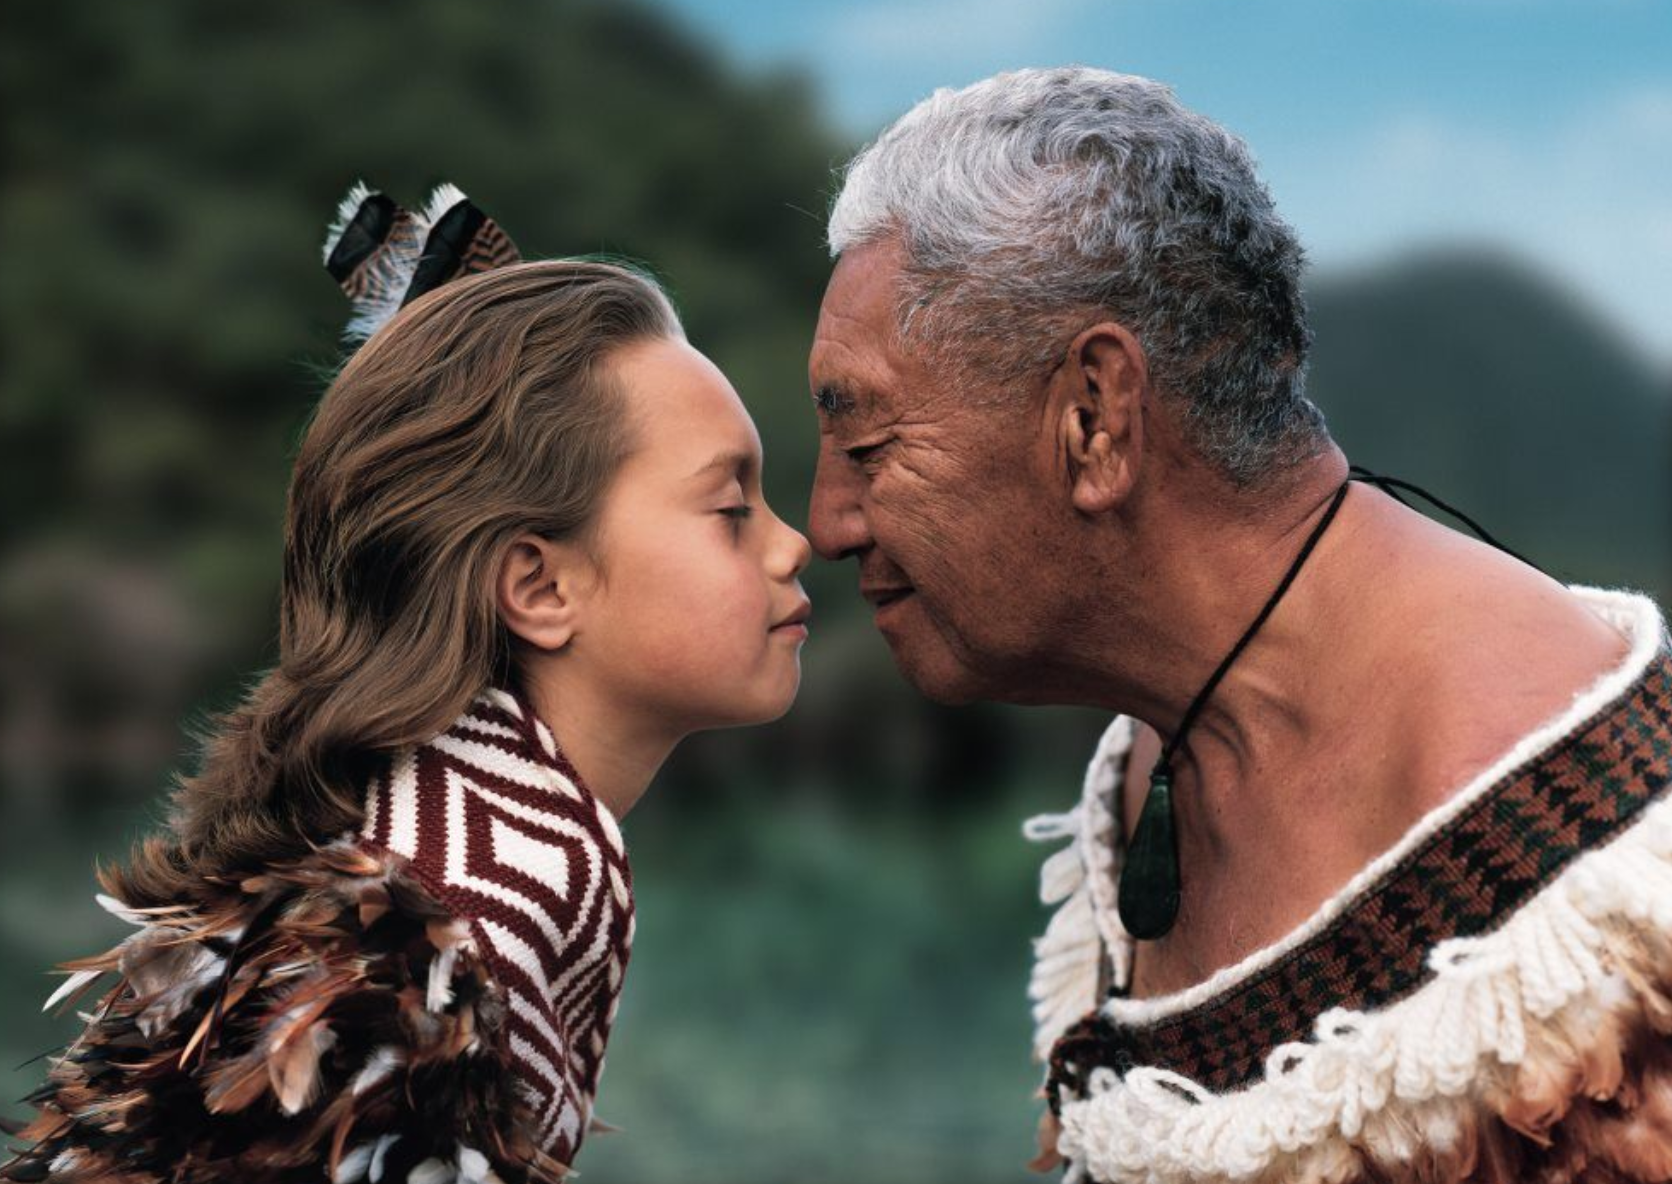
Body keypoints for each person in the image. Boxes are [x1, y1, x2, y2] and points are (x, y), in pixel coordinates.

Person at [808, 67, 1672, 1183]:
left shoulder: (1592, 909)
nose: (826, 521)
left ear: (1094, 416)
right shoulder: (1154, 754)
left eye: (868, 446)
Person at [3, 185, 812, 1183]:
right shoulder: (451, 921)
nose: (794, 542)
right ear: (538, 583)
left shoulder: (404, 863)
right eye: (732, 506)